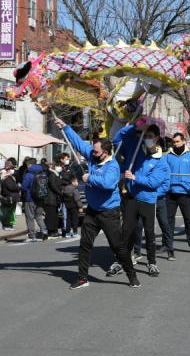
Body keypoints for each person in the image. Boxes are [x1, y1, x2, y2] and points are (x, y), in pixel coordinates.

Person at [56, 118, 140, 289]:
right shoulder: (93, 155)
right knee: (85, 244)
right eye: (92, 151)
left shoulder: (113, 166)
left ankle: (132, 275)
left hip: (109, 212)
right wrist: (66, 127)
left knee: (117, 247)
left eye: (95, 152)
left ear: (106, 152)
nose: (92, 154)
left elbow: (108, 184)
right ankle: (82, 277)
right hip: (92, 212)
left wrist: (89, 178)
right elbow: (79, 144)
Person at [111, 121, 170, 277]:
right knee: (126, 232)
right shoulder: (136, 149)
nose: (146, 139)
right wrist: (135, 127)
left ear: (157, 138)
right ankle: (121, 260)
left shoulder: (162, 161)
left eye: (150, 136)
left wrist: (135, 178)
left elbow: (154, 183)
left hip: (148, 201)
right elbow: (117, 139)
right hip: (131, 199)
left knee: (149, 234)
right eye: (145, 136)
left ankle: (152, 263)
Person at [164, 132, 190, 256]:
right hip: (170, 193)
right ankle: (167, 244)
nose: (175, 144)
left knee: (189, 219)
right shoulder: (168, 156)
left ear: (183, 141)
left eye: (177, 141)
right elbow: (162, 169)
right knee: (168, 221)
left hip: (185, 193)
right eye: (174, 142)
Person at [21, 158, 48, 241]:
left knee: (30, 217)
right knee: (39, 216)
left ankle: (32, 235)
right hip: (41, 197)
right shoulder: (43, 173)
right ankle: (44, 231)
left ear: (29, 165)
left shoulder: (28, 174)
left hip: (30, 198)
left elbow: (24, 187)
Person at [0, 160, 20, 231]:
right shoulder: (6, 176)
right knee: (8, 211)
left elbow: (18, 172)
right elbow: (12, 187)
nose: (11, 168)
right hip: (9, 196)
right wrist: (19, 187)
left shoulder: (10, 175)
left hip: (11, 196)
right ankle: (7, 225)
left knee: (11, 211)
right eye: (8, 164)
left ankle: (10, 224)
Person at [43, 162, 63, 237]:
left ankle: (54, 230)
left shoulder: (55, 174)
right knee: (51, 215)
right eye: (58, 165)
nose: (59, 167)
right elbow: (53, 185)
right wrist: (60, 193)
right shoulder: (52, 175)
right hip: (50, 199)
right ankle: (51, 231)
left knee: (54, 215)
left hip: (53, 198)